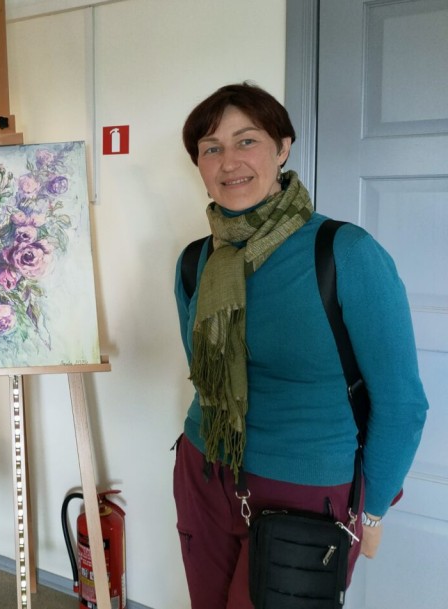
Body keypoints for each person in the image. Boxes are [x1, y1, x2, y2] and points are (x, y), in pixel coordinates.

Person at [172, 82, 428, 608]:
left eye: (247, 141)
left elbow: (402, 403)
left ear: (283, 147)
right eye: (211, 148)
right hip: (205, 471)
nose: (229, 162)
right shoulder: (196, 261)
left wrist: (373, 509)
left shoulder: (345, 253)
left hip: (306, 495)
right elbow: (201, 368)